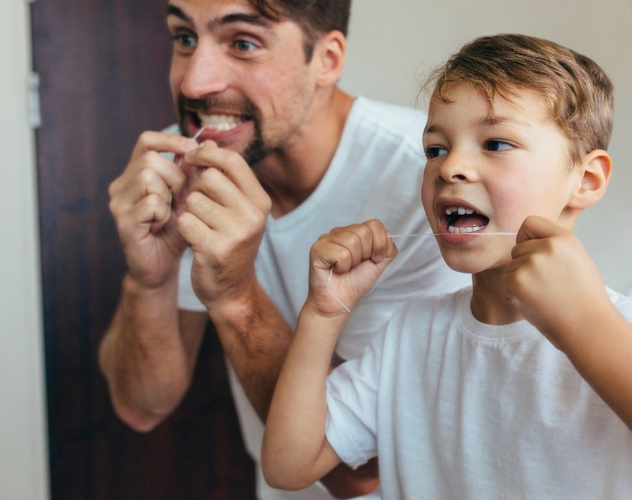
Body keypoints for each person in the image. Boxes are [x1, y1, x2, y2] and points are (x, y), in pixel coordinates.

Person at [262, 33, 632, 499]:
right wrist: (323, 315)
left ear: (585, 181)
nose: (451, 167)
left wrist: (587, 327)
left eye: (496, 143)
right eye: (434, 149)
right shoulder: (409, 334)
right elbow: (290, 465)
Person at [98, 0, 469, 499]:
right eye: (184, 39)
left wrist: (235, 296)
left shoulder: (426, 187)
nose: (194, 84)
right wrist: (150, 279)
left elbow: (360, 472)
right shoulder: (182, 166)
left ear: (327, 60)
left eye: (243, 43)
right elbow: (141, 407)